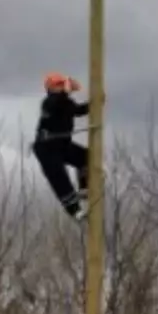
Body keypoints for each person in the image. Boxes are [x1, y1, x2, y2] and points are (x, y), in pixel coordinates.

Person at [33, 72, 96, 220]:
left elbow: (79, 111)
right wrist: (66, 89)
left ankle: (84, 188)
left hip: (62, 145)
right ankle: (75, 211)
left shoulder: (67, 103)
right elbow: (56, 103)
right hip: (46, 148)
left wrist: (95, 103)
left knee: (86, 156)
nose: (63, 87)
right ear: (52, 88)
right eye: (59, 85)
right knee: (60, 179)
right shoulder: (48, 103)